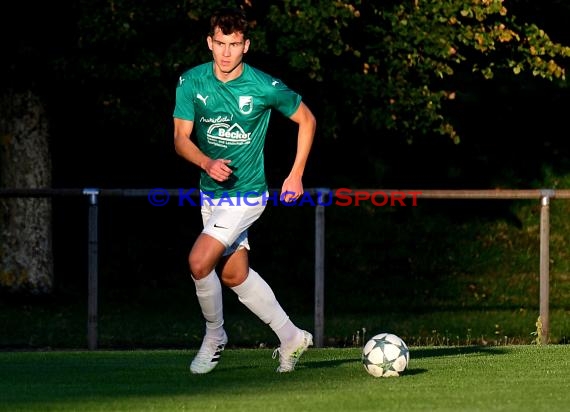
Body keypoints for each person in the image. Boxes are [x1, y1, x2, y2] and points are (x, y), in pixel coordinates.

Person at [172, 7, 317, 374]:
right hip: (210, 194)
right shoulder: (191, 82)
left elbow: (307, 120)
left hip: (248, 195)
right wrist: (206, 163)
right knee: (234, 275)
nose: (225, 52)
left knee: (199, 261)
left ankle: (215, 335)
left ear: (245, 46)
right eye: (220, 43)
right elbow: (180, 139)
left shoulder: (263, 86)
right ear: (209, 42)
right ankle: (291, 337)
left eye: (233, 44)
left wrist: (295, 173)